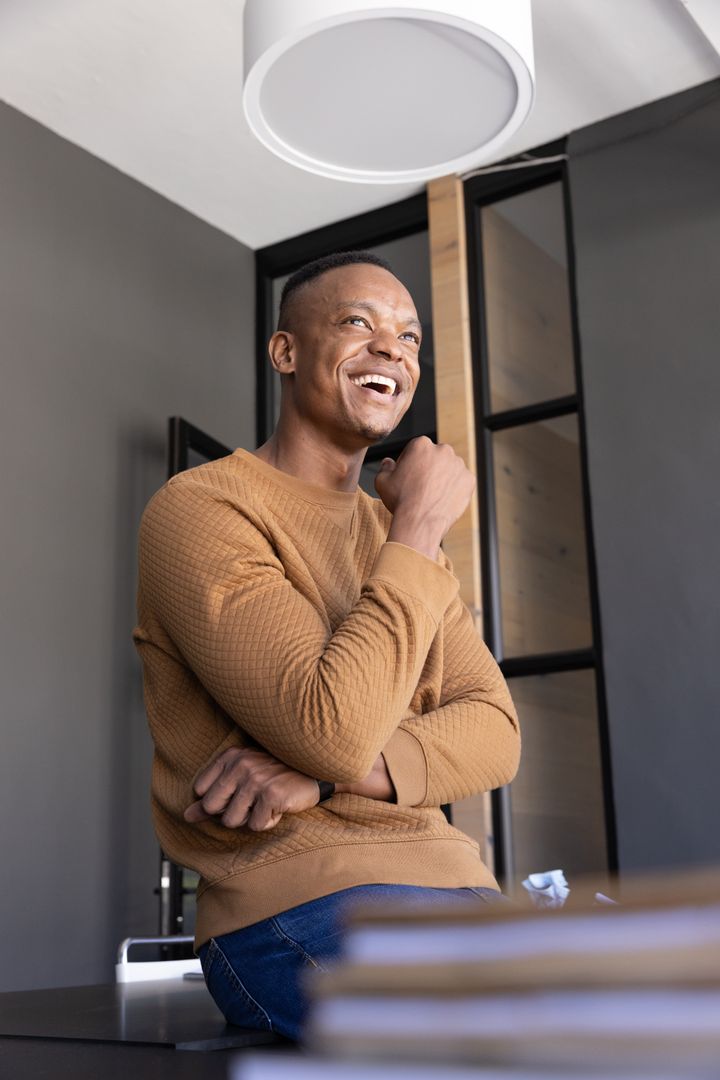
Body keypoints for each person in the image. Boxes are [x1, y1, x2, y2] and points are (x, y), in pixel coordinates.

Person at [133, 251, 520, 1040]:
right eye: (359, 324)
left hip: (462, 884)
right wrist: (419, 526)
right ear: (286, 352)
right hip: (296, 901)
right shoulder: (201, 508)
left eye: (409, 337)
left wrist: (320, 778)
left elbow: (496, 731)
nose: (393, 350)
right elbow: (329, 728)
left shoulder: (395, 540)